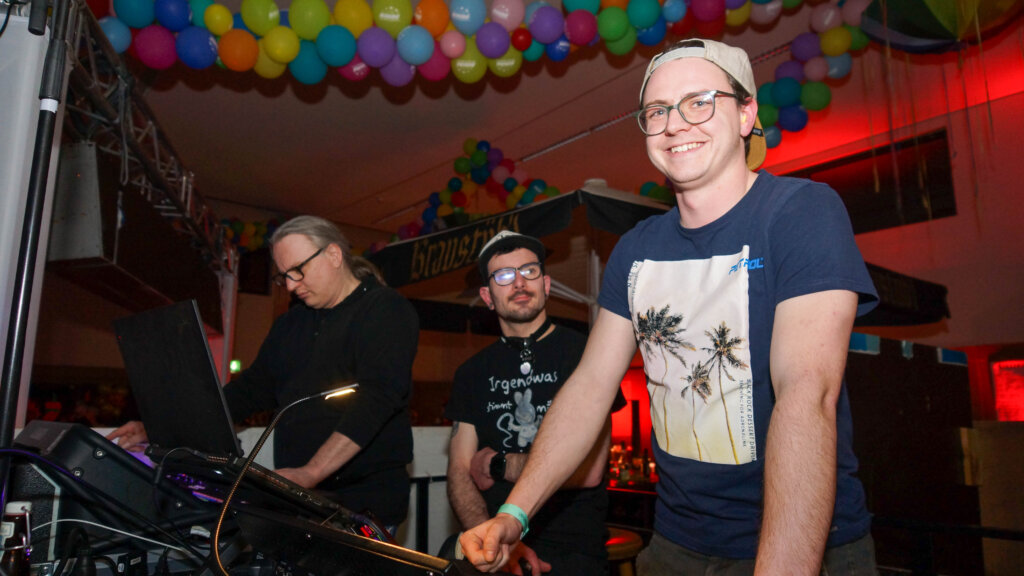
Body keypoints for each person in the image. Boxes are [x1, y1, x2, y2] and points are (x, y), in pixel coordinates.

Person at [460, 39, 881, 575]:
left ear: (746, 114)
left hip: (804, 547)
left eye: (699, 101)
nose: (675, 124)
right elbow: (590, 387)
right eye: (657, 111)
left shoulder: (801, 211)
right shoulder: (636, 248)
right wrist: (514, 513)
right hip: (675, 545)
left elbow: (807, 392)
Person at [108, 215, 419, 530]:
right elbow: (247, 392)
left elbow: (377, 397)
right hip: (300, 500)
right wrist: (159, 430)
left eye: (298, 270)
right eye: (284, 277)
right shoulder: (290, 324)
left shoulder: (384, 309)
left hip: (362, 504)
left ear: (334, 255)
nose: (292, 286)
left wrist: (312, 471)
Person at [444, 231, 623, 576]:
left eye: (529, 270)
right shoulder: (471, 372)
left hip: (572, 553)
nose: (519, 283)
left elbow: (589, 470)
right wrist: (492, 543)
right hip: (495, 554)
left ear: (546, 284)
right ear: (487, 296)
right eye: (503, 276)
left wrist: (498, 464)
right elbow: (459, 471)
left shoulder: (588, 354)